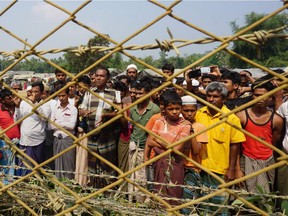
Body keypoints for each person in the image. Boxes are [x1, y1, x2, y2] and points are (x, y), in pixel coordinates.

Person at [195, 82, 246, 214]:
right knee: (203, 205)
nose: (211, 99)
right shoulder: (199, 114)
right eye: (209, 96)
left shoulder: (231, 118)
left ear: (224, 99)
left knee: (219, 206)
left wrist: (232, 168)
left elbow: (235, 145)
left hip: (220, 170)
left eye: (215, 97)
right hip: (200, 167)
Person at [236, 81, 283, 193]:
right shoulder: (241, 116)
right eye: (256, 95)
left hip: (267, 161)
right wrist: (237, 168)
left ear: (270, 97)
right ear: (252, 95)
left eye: (264, 95)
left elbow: (273, 143)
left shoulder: (276, 120)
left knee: (264, 198)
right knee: (243, 197)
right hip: (245, 159)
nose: (260, 99)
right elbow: (235, 145)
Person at [79, 66, 121, 188]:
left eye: (102, 76)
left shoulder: (115, 94)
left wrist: (107, 115)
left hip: (107, 137)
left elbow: (119, 112)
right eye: (96, 75)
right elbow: (81, 109)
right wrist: (85, 112)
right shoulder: (89, 93)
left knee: (108, 165)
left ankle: (109, 190)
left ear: (107, 78)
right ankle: (95, 190)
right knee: (93, 165)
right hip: (92, 135)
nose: (98, 78)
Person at [147, 91, 191, 206]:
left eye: (177, 108)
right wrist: (169, 145)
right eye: (171, 109)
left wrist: (158, 142)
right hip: (159, 162)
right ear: (164, 109)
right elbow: (150, 141)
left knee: (173, 193)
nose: (174, 112)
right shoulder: (159, 121)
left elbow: (177, 149)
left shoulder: (185, 125)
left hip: (174, 164)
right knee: (159, 191)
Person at [128, 81, 160, 202]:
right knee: (133, 175)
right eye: (136, 93)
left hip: (147, 148)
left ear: (148, 94)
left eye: (141, 93)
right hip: (133, 146)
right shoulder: (133, 108)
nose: (137, 96)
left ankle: (143, 202)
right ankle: (133, 200)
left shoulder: (155, 110)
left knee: (145, 177)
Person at [14, 82, 50, 175]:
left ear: (42, 93)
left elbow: (44, 118)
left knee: (35, 169)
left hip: (37, 141)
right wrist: (17, 107)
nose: (34, 94)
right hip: (24, 140)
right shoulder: (24, 103)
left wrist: (34, 104)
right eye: (32, 91)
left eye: (36, 92)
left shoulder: (45, 105)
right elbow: (17, 120)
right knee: (23, 167)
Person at [181, 95, 208, 215]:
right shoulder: (177, 125)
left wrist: (190, 130)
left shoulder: (200, 127)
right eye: (186, 111)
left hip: (192, 167)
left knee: (189, 201)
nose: (189, 114)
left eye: (192, 111)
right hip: (178, 166)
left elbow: (197, 150)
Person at [50, 85, 78, 180]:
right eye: (59, 96)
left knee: (68, 164)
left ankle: (68, 184)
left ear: (67, 95)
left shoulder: (73, 109)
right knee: (57, 163)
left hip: (68, 139)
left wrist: (58, 122)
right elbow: (51, 126)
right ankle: (59, 186)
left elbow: (72, 125)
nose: (61, 98)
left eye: (63, 95)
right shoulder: (55, 108)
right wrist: (64, 124)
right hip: (57, 138)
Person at [0, 89, 20, 184]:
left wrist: (18, 106)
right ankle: (6, 183)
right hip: (5, 142)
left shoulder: (17, 108)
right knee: (7, 163)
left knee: (16, 163)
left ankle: (13, 181)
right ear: (2, 100)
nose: (11, 99)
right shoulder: (0, 110)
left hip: (18, 141)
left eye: (11, 97)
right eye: (8, 98)